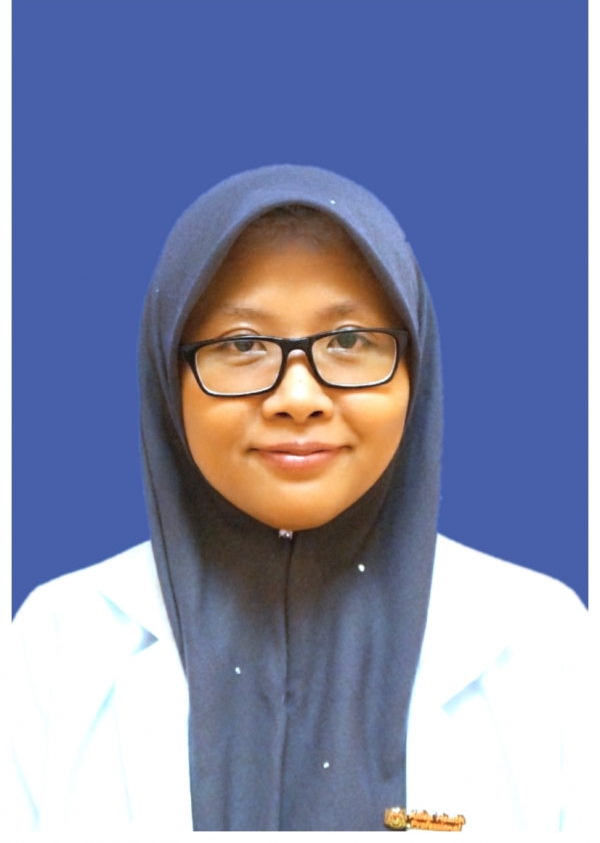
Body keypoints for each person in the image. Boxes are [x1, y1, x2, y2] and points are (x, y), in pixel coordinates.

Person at [9, 165, 592, 832]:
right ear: (168, 377)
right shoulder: (59, 645)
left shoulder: (544, 642)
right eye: (242, 344)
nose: (297, 398)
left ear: (416, 369)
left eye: (348, 341)